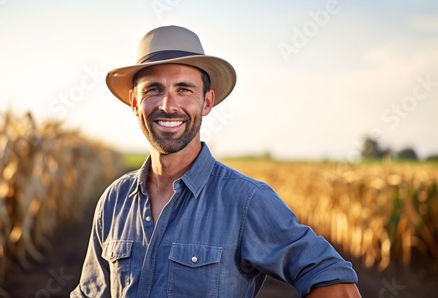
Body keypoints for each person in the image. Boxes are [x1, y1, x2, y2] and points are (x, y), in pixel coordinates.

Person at [71, 25, 361, 298]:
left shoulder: (246, 200)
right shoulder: (113, 201)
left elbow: (337, 284)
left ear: (207, 102)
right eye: (153, 89)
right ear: (135, 102)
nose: (168, 105)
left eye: (184, 89)